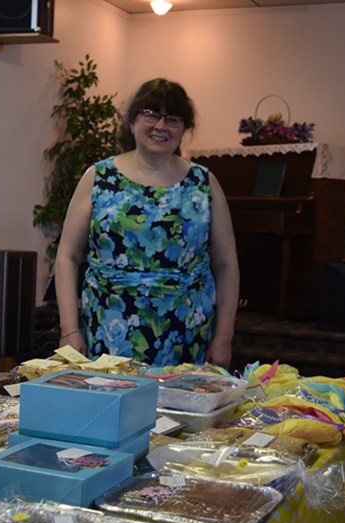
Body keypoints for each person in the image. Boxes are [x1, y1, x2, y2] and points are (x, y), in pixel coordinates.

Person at [55, 78, 240, 368]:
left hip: (187, 335)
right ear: (132, 120)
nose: (161, 125)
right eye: (151, 113)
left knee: (179, 412)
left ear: (184, 129)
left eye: (173, 118)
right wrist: (69, 330)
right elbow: (67, 256)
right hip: (107, 331)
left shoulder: (204, 182)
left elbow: (227, 265)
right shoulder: (99, 177)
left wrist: (223, 337)